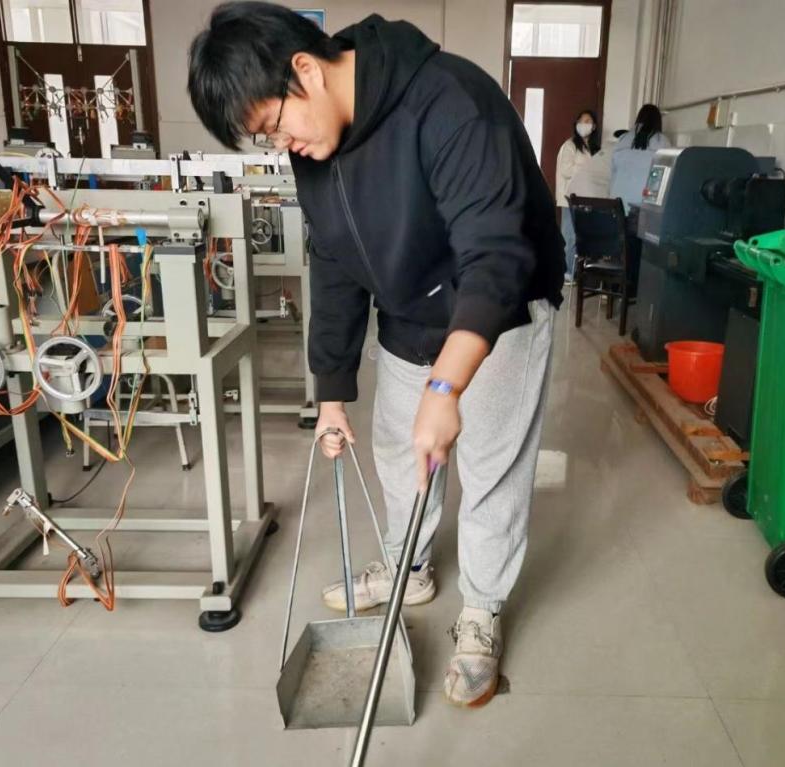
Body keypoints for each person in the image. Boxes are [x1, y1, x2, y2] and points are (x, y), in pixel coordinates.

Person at [188, 3, 564, 708]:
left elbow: (495, 254)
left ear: (306, 70)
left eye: (274, 126)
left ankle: (481, 609)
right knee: (398, 451)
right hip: (409, 312)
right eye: (267, 139)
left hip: (500, 310)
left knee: (490, 467)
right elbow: (333, 261)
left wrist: (447, 388)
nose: (283, 146)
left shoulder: (449, 101)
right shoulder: (317, 149)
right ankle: (408, 568)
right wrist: (331, 393)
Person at [609, 104, 672, 285]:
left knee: (621, 247)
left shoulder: (623, 140)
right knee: (640, 249)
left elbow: (612, 175)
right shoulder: (662, 142)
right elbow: (664, 178)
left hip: (617, 206)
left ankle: (617, 286)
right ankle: (634, 288)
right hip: (643, 208)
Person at [555, 110, 600, 282]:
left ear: (594, 126)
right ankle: (567, 272)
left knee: (582, 236)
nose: (584, 124)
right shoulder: (569, 145)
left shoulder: (594, 149)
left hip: (586, 198)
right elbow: (566, 170)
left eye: (588, 121)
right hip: (570, 198)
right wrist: (588, 169)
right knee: (569, 236)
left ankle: (578, 272)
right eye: (581, 120)